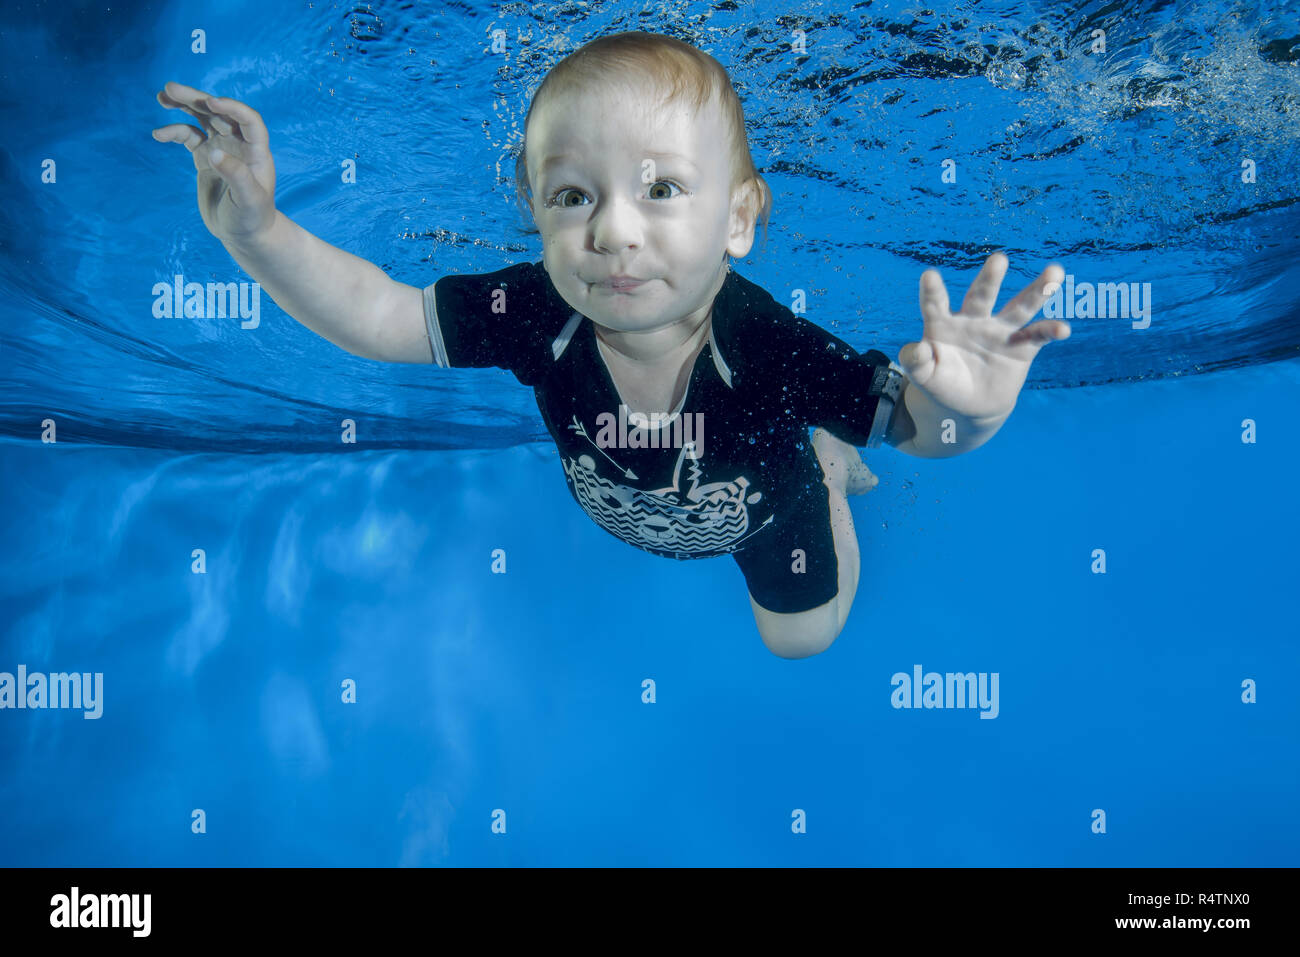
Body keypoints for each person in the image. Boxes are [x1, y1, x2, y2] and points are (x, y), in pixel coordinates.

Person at [151, 31, 1070, 659]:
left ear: (740, 217)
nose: (614, 231)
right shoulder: (527, 309)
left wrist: (967, 409)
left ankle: (825, 473)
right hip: (659, 511)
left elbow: (915, 429)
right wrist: (258, 234)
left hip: (769, 514)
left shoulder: (773, 349)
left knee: (802, 639)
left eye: (662, 189)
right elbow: (383, 313)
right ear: (535, 215)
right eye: (572, 195)